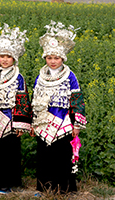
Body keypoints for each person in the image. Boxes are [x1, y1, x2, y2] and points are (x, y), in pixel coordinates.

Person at [30, 21, 87, 195]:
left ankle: (64, 189)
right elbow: (35, 99)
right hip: (44, 122)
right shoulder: (40, 76)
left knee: (62, 156)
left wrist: (76, 124)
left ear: (63, 58)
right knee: (44, 156)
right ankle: (44, 187)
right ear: (45, 58)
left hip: (63, 122)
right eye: (49, 58)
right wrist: (33, 122)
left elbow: (77, 99)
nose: (53, 61)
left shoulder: (70, 76)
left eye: (56, 58)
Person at [0, 24, 32, 194]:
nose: (4, 60)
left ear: (14, 59)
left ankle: (7, 183)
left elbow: (23, 100)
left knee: (8, 152)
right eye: (2, 56)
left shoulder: (19, 77)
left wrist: (20, 124)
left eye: (8, 57)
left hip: (10, 121)